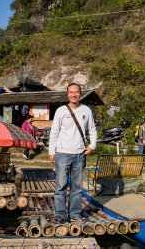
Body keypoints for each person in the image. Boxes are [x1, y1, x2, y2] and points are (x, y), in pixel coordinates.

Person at [49, 83, 97, 223]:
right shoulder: (61, 111)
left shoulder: (86, 110)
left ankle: (75, 214)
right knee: (61, 186)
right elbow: (54, 132)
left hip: (79, 154)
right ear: (67, 94)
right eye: (71, 92)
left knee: (77, 187)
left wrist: (92, 146)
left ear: (80, 94)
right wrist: (52, 151)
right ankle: (60, 215)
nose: (73, 94)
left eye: (76, 92)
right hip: (63, 153)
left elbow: (92, 129)